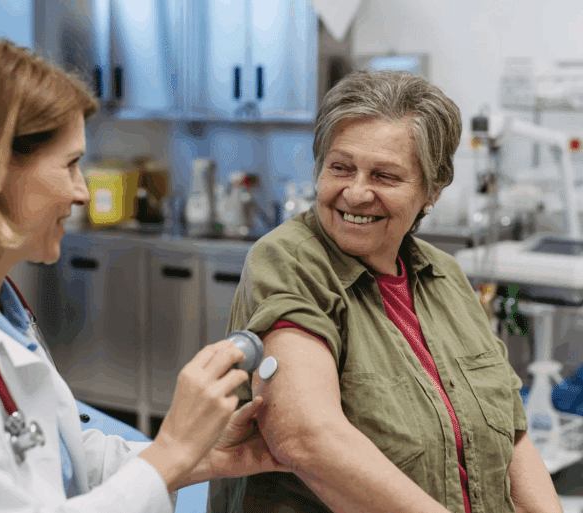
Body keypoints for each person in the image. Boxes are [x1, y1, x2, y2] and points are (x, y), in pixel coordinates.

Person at [0, 37, 286, 513]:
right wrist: (171, 455)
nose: (83, 193)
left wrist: (201, 454)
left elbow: (56, 460)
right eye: (70, 165)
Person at [208, 70, 562, 513]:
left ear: (431, 190)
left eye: (385, 176)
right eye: (340, 168)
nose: (356, 193)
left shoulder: (445, 276)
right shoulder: (290, 262)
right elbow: (306, 438)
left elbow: (513, 434)